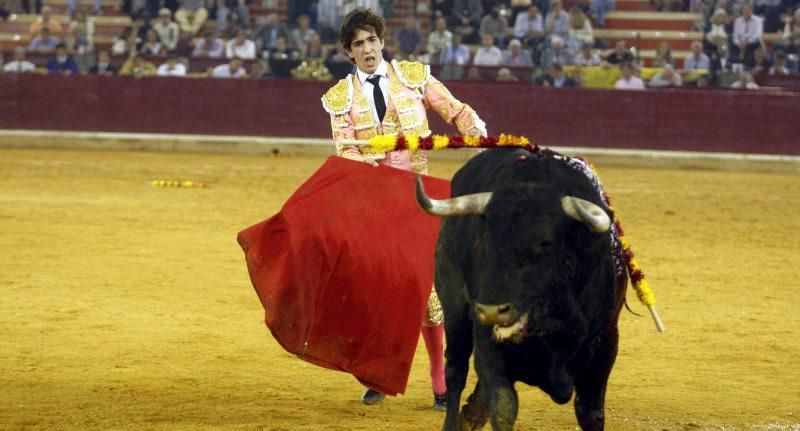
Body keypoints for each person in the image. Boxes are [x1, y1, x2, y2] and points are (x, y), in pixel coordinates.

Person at [320, 7, 486, 411]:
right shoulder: (340, 98)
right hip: (372, 204)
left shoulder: (414, 77)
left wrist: (477, 133)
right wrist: (367, 160)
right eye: (358, 44)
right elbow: (345, 149)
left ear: (381, 41)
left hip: (416, 199)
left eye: (372, 40)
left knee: (427, 293)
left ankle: (439, 379)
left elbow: (456, 110)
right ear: (349, 52)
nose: (367, 48)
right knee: (379, 289)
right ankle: (378, 372)